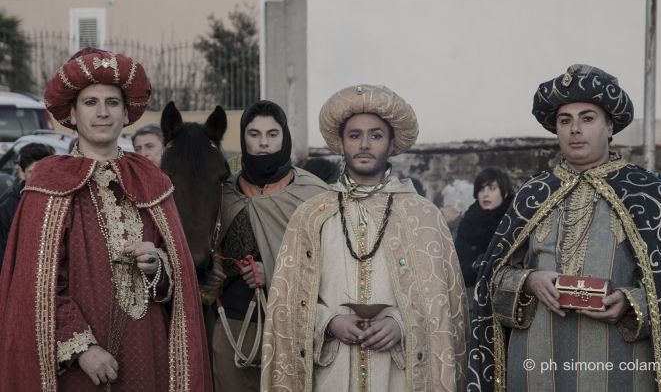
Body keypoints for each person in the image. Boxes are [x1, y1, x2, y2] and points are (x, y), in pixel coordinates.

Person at [468, 64, 661, 391]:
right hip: (536, 368)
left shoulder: (648, 193)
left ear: (609, 126)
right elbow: (492, 280)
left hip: (620, 368)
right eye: (566, 121)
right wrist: (529, 281)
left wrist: (632, 302)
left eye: (587, 118)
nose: (575, 129)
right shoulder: (532, 195)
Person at [0, 48, 212, 391]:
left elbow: (181, 283)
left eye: (112, 103)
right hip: (78, 367)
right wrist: (81, 348)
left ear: (126, 112)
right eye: (90, 102)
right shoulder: (47, 183)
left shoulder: (152, 181)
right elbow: (36, 287)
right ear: (72, 112)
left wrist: (158, 267)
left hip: (150, 354)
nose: (102, 112)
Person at [261, 85, 468, 391]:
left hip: (399, 375)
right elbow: (287, 299)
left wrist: (400, 322)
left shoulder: (423, 217)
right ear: (341, 143)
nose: (365, 144)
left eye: (376, 135)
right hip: (331, 373)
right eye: (355, 135)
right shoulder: (310, 217)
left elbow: (445, 305)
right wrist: (328, 321)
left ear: (391, 142)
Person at [200, 100, 328, 392]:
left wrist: (273, 269)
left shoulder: (314, 195)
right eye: (254, 134)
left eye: (272, 134)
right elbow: (204, 248)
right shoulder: (224, 192)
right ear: (243, 138)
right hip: (231, 326)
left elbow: (332, 266)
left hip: (293, 328)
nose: (263, 143)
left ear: (284, 138)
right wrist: (211, 272)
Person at [454, 167, 513, 320]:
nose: (485, 194)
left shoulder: (514, 221)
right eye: (481, 189)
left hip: (508, 300)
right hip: (474, 301)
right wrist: (475, 266)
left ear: (504, 192)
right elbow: (456, 264)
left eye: (492, 188)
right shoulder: (468, 223)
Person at [0, 143, 53, 273]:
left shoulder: (61, 203)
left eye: (43, 171)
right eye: (32, 172)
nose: (38, 177)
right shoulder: (8, 208)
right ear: (22, 173)